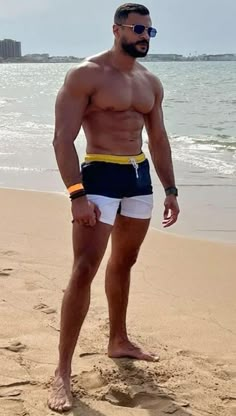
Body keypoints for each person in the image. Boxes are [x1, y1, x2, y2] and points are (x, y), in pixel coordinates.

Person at [48, 3, 180, 412]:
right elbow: (62, 139)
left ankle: (117, 340)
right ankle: (62, 371)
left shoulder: (150, 83)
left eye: (150, 32)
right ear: (117, 29)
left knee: (124, 262)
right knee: (85, 267)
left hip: (138, 180)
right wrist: (77, 194)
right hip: (99, 177)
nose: (144, 37)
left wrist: (170, 188)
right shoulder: (86, 74)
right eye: (139, 29)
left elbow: (158, 139)